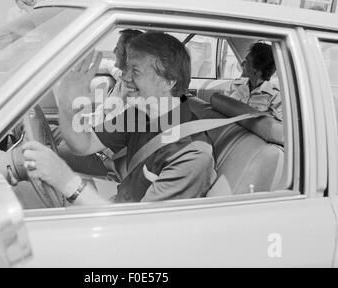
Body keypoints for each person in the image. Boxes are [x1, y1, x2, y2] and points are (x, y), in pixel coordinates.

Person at [22, 32, 217, 205]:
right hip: (118, 204)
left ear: (168, 81)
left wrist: (67, 182)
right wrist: (66, 107)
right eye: (127, 69)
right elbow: (84, 144)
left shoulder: (192, 155)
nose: (125, 78)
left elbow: (139, 230)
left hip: (125, 230)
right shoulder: (140, 114)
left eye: (136, 72)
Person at [56, 29, 143, 176]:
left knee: (53, 151)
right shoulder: (122, 76)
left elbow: (114, 148)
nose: (114, 51)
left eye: (118, 48)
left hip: (99, 153)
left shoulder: (138, 103)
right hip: (89, 130)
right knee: (38, 128)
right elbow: (109, 64)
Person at [225, 42, 282, 121]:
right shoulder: (234, 84)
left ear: (257, 71)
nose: (242, 64)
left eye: (247, 61)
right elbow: (222, 110)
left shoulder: (275, 96)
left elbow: (275, 126)